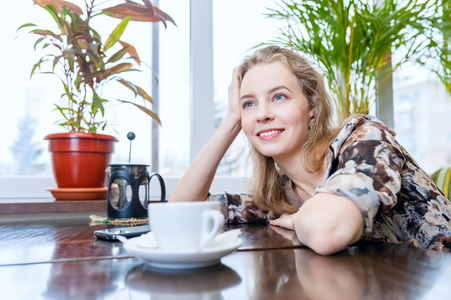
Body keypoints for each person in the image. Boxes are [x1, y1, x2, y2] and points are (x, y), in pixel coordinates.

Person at [169, 45, 451, 255]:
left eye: (279, 97)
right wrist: (229, 124)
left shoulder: (364, 139)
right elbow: (179, 216)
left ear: (312, 111)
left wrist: (297, 219)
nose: (262, 114)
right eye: (249, 104)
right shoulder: (279, 197)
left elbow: (326, 232)